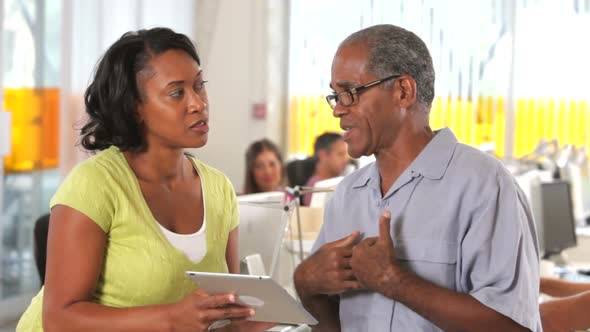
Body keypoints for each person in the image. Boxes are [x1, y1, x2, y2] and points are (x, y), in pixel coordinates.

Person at [17, 27, 274, 332]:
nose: (198, 104)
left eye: (199, 85)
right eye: (177, 92)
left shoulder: (219, 189)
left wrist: (260, 321)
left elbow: (226, 312)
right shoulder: (95, 184)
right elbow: (60, 319)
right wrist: (170, 318)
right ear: (135, 107)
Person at [293, 24, 541, 331]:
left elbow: (513, 325)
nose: (338, 110)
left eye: (350, 93)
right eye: (335, 96)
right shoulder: (347, 194)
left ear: (403, 91)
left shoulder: (483, 184)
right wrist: (307, 287)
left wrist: (395, 282)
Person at [302, 132, 349, 206]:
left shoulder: (342, 181)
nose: (346, 160)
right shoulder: (315, 187)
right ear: (322, 155)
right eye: (340, 154)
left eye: (346, 154)